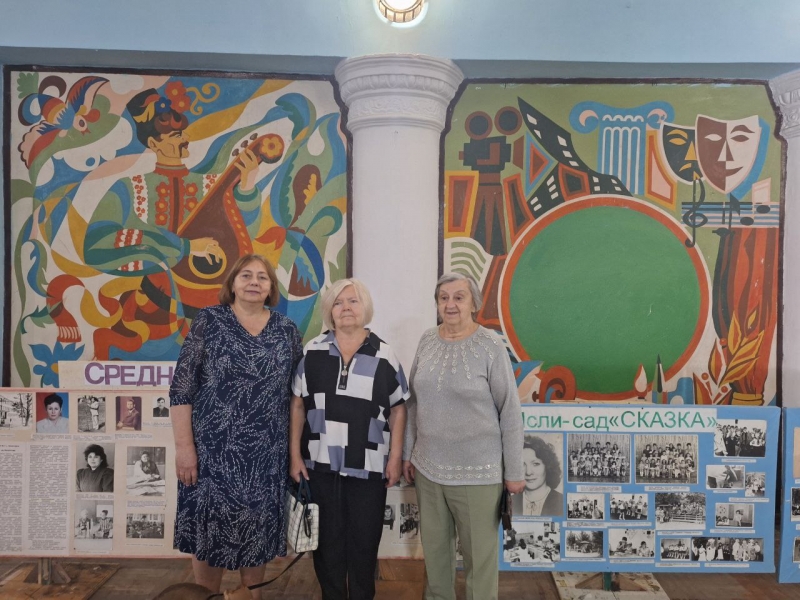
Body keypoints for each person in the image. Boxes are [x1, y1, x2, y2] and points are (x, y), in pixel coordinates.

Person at [83, 86, 263, 360]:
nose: (186, 139)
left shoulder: (209, 185)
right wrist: (183, 247)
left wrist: (247, 186)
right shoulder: (130, 189)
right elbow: (96, 244)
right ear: (154, 144)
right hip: (152, 315)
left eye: (183, 133)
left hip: (213, 317)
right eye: (177, 135)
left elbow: (243, 235)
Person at [170, 254, 302, 599]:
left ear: (271, 288)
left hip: (265, 457)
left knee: (257, 535)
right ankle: (206, 596)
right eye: (246, 275)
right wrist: (184, 448)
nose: (254, 281)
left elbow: (297, 397)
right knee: (210, 532)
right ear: (232, 283)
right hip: (212, 456)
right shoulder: (209, 321)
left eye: (262, 277)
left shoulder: (287, 331)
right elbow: (182, 389)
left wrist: (294, 454)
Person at [403, 272, 524, 600]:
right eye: (444, 298)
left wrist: (514, 472)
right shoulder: (427, 340)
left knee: (479, 562)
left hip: (478, 474)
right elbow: (413, 402)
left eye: (459, 297)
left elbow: (510, 411)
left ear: (474, 303)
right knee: (436, 557)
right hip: (428, 470)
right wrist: (408, 452)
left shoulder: (490, 345)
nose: (450, 304)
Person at [290, 278, 408, 600]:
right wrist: (295, 456)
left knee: (364, 546)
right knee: (326, 547)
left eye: (353, 301)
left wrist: (395, 457)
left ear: (364, 307)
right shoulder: (313, 352)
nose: (345, 308)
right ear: (330, 310)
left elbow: (399, 409)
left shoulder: (384, 354)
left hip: (368, 467)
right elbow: (298, 404)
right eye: (338, 303)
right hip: (320, 466)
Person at [512, 436, 564, 517]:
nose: (528, 472)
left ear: (547, 466)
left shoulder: (562, 502)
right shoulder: (510, 502)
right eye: (522, 465)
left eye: (535, 464)